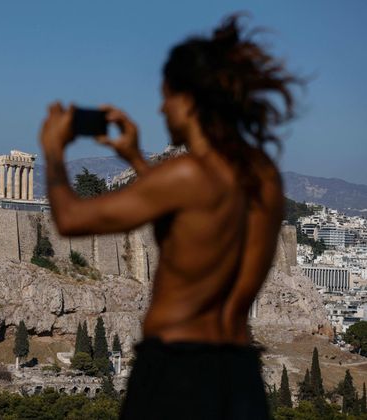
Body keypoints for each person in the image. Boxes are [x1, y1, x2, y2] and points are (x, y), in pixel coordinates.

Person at [40, 15, 300, 420]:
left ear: (190, 100)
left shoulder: (186, 174)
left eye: (167, 96)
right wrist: (138, 162)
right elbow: (196, 216)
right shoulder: (263, 174)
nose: (161, 108)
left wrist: (53, 151)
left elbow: (71, 219)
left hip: (178, 369)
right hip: (238, 371)